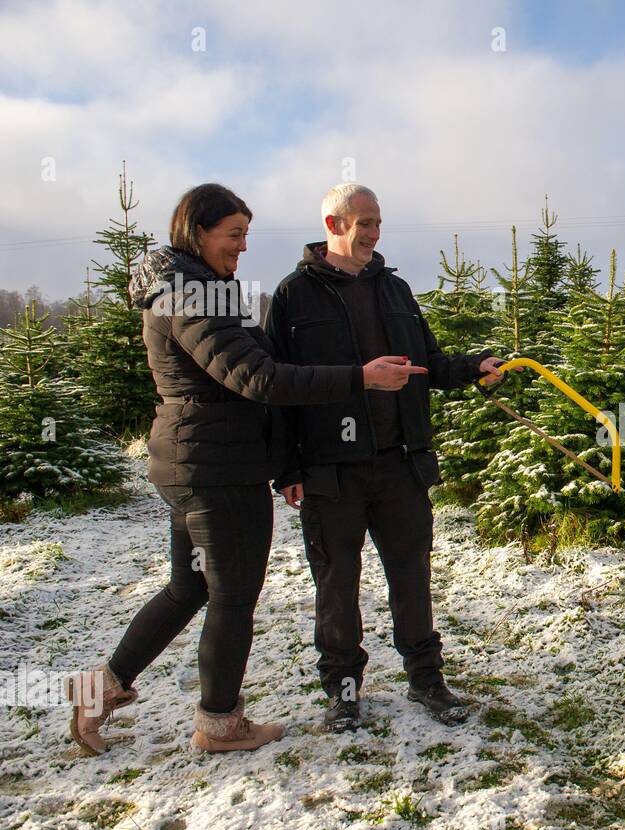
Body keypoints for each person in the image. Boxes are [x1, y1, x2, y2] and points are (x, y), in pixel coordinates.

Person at [65, 183, 429, 756]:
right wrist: (358, 377)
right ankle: (219, 722)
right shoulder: (192, 296)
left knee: (189, 588)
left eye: (246, 236)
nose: (241, 247)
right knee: (233, 595)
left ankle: (100, 690)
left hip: (196, 462)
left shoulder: (201, 289)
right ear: (197, 232)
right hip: (218, 467)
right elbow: (257, 377)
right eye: (232, 235)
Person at [265, 183, 508, 731]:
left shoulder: (395, 290)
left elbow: (430, 362)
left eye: (377, 223)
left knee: (411, 575)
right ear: (333, 225)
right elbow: (278, 389)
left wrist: (473, 368)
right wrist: (288, 469)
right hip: (331, 472)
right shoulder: (293, 297)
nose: (374, 233)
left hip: (400, 464)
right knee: (336, 584)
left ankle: (427, 680)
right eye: (363, 223)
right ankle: (344, 692)